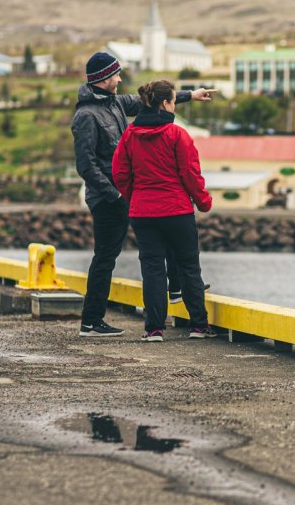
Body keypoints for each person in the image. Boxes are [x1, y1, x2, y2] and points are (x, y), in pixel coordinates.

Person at [72, 52, 214, 337]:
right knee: (105, 257)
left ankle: (172, 294)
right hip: (108, 198)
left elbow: (149, 100)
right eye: (116, 75)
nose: (120, 79)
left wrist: (190, 95)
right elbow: (86, 165)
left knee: (157, 249)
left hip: (131, 195)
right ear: (103, 78)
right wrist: (116, 195)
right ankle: (91, 320)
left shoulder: (114, 103)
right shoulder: (86, 116)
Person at [112, 79, 215, 341]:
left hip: (143, 213)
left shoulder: (129, 136)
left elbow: (120, 174)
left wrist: (135, 198)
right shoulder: (177, 135)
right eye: (172, 101)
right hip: (177, 210)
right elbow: (190, 173)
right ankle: (198, 326)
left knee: (152, 268)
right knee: (189, 266)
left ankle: (154, 328)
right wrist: (203, 201)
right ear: (167, 103)